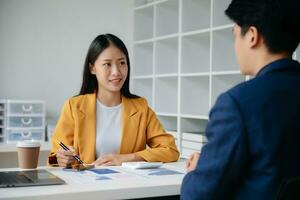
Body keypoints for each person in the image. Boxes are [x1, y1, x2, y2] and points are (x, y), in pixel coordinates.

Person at [181, 0, 300, 199]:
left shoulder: (236, 104)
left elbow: (197, 195)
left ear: (252, 36)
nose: (235, 46)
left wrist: (197, 172)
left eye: (235, 36)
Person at [48, 34, 179, 167]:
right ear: (92, 68)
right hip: (86, 185)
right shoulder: (74, 106)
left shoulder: (140, 107)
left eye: (122, 63)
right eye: (107, 64)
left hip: (127, 185)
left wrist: (128, 158)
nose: (116, 72)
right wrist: (62, 159)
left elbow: (170, 150)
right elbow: (55, 155)